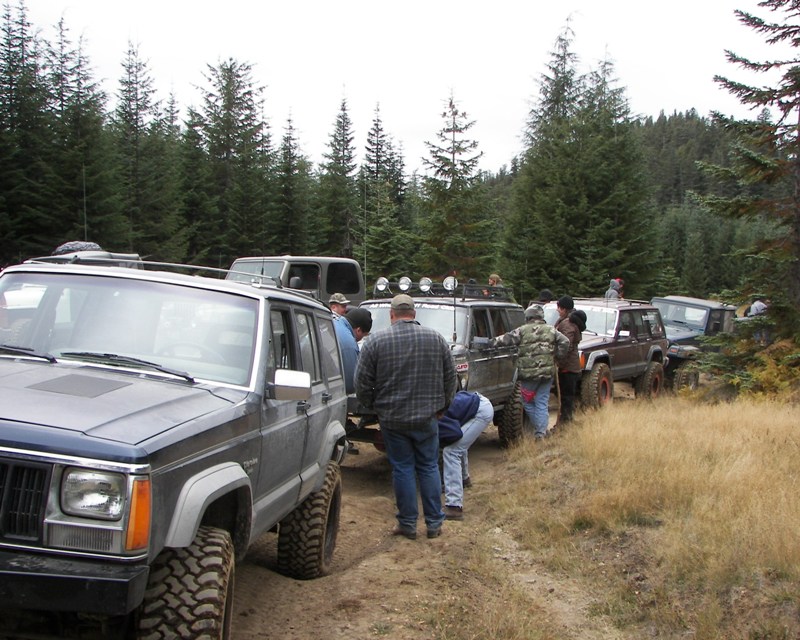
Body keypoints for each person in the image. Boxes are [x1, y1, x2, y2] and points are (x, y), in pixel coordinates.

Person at [355, 293, 457, 540]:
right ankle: (434, 523)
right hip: (427, 418)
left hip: (392, 419)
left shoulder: (375, 341)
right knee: (429, 466)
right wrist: (443, 406)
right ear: (414, 314)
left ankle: (408, 524)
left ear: (392, 315)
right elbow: (450, 378)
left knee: (402, 468)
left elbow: (361, 382)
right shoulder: (436, 339)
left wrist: (373, 406)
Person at [491, 304, 568, 440]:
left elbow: (504, 340)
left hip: (528, 376)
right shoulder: (551, 330)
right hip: (546, 374)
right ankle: (541, 433)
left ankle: (540, 430)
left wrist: (488, 342)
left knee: (527, 402)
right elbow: (565, 342)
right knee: (542, 402)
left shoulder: (522, 330)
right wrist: (557, 356)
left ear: (528, 316)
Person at [440, 391, 493, 520]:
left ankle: (454, 506)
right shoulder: (434, 405)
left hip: (481, 411)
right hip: (477, 403)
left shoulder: (435, 415)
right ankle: (464, 479)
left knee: (451, 451)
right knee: (457, 446)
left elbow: (455, 434)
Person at [554, 295, 584, 425]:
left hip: (567, 367)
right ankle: (566, 421)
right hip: (570, 366)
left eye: (559, 307)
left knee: (566, 397)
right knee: (567, 396)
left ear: (564, 309)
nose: (557, 310)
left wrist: (559, 362)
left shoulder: (567, 323)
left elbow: (566, 345)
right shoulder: (569, 321)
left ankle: (565, 424)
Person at [334, 307, 372, 395]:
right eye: (363, 335)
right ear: (358, 330)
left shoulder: (334, 322)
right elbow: (351, 385)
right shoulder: (349, 344)